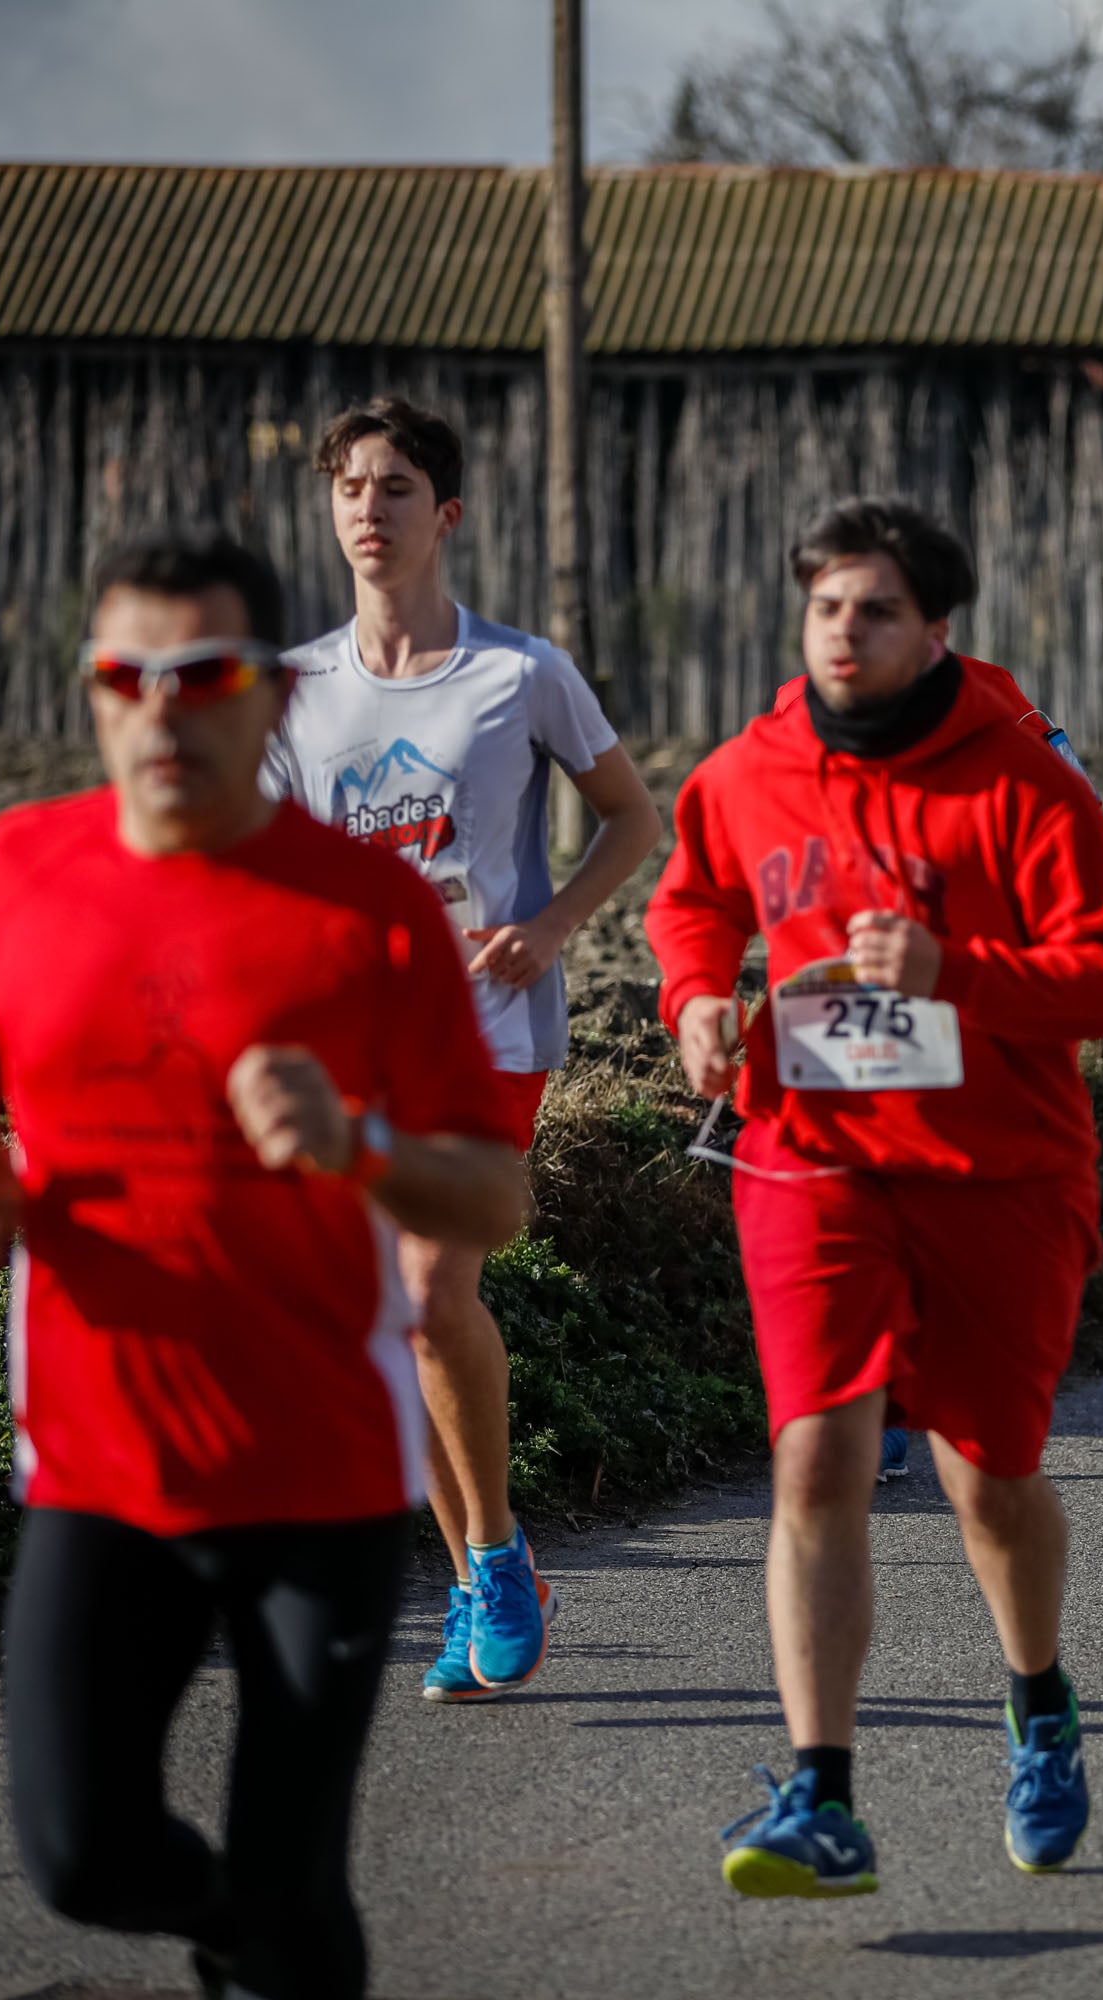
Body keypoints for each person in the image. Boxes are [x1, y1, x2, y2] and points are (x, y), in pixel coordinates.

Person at [0, 534, 528, 1998]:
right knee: (81, 1853)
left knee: (294, 1873)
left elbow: (494, 1194)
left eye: (204, 675)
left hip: (322, 1474)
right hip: (98, 1471)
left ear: (275, 695)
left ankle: (278, 1940)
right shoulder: (17, 871)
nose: (161, 709)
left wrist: (360, 1141)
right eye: (126, 676)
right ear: (91, 693)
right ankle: (260, 1939)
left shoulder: (364, 908)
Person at [648, 499, 1103, 1896]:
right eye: (826, 607)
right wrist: (696, 998)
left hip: (999, 1171)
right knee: (815, 1455)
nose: (844, 632)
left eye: (875, 610)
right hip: (811, 1155)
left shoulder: (1019, 780)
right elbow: (693, 900)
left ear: (936, 628)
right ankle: (821, 1794)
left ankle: (1039, 1701)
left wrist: (955, 971)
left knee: (987, 1476)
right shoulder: (750, 770)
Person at [264, 397, 660, 1702]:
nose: (367, 510)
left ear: (447, 514)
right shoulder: (295, 689)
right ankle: (486, 1568)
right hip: (349, 1043)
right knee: (386, 1320)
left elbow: (630, 817)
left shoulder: (520, 673)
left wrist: (551, 925)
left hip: (487, 1030)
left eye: (394, 489)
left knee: (434, 1295)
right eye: (349, 488)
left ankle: (490, 1561)